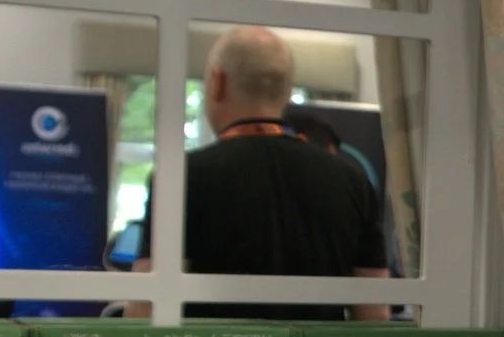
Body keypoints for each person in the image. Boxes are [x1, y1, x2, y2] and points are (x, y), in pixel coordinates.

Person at [130, 25, 389, 321]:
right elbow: (374, 313)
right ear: (287, 91)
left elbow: (147, 307)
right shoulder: (352, 181)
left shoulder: (183, 177)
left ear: (217, 83)